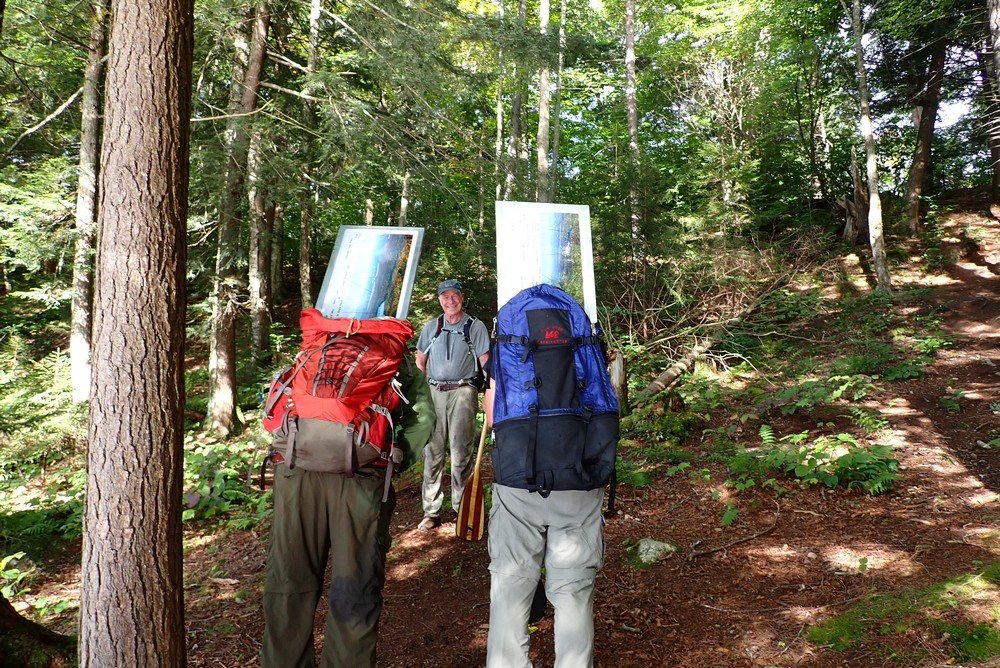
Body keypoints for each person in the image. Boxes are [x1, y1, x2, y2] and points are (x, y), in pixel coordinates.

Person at [261, 352, 435, 668]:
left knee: (288, 582)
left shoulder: (317, 347)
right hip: (360, 477)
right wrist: (393, 461)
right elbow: (423, 418)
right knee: (355, 587)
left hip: (295, 472)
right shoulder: (394, 357)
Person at [483, 284, 615, 668]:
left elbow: (494, 416)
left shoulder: (508, 344)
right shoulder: (582, 339)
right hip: (579, 475)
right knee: (572, 592)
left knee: (510, 586)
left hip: (518, 479)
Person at [414, 278, 490, 531]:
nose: (450, 301)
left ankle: (462, 507)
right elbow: (420, 360)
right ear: (440, 300)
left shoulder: (475, 326)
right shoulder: (432, 327)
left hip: (463, 391)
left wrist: (492, 393)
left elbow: (485, 362)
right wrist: (422, 393)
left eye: (454, 296)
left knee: (461, 452)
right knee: (432, 452)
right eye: (445, 297)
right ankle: (431, 510)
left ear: (462, 297)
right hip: (434, 392)